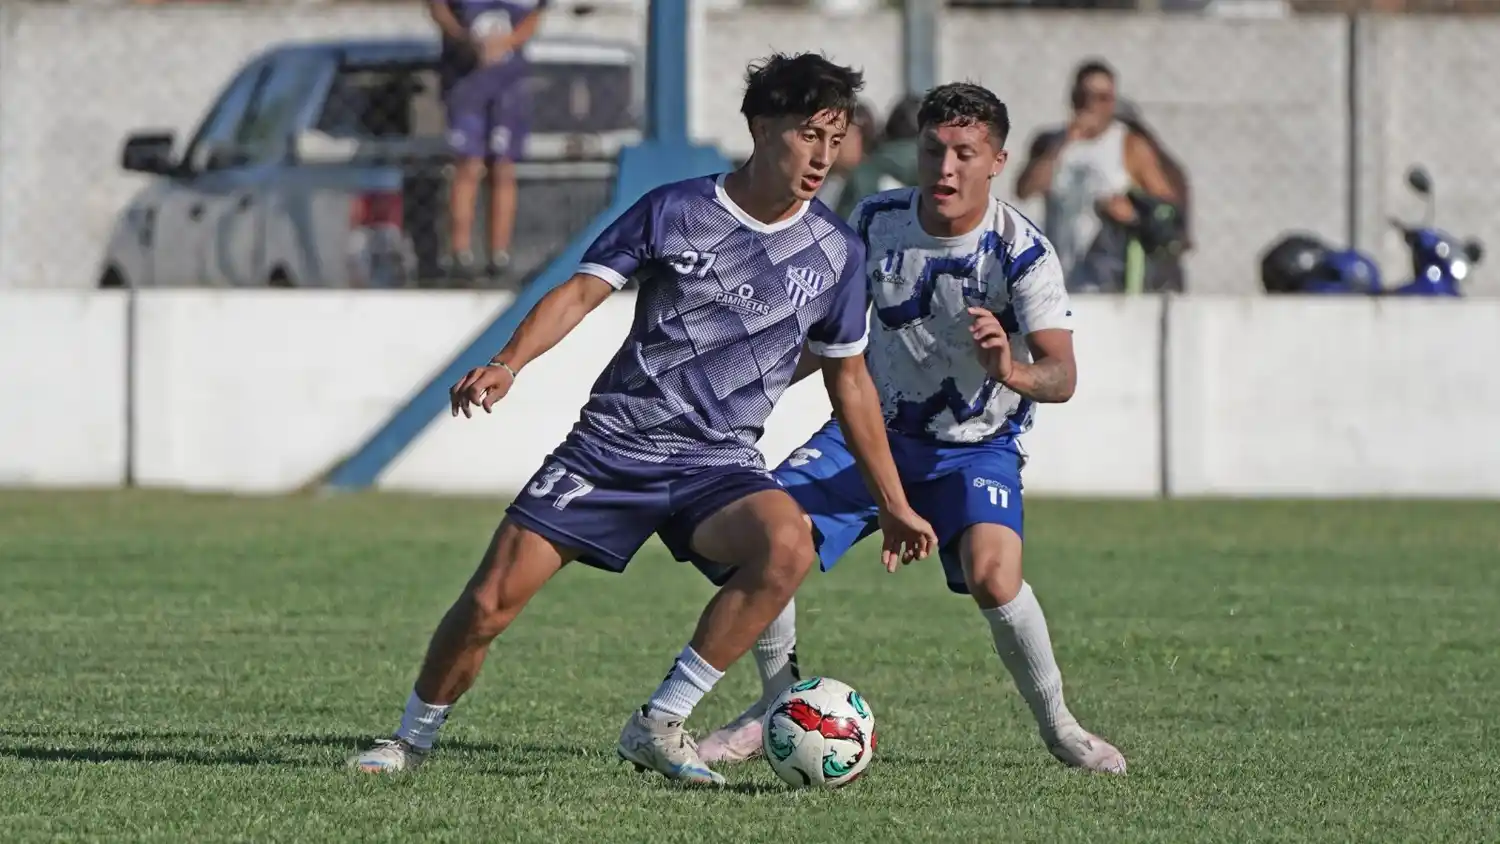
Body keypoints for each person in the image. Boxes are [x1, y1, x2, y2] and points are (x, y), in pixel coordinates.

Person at [347, 52, 938, 786]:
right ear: (760, 127)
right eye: (806, 133)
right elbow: (580, 293)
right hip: (612, 450)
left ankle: (661, 722)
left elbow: (849, 382)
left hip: (717, 466)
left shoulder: (838, 254)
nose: (822, 154)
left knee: (785, 545)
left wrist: (894, 503)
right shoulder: (678, 209)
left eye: (835, 134)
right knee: (488, 604)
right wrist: (508, 363)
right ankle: (408, 739)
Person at [695, 82, 1128, 775]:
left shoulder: (1023, 253)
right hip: (870, 434)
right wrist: (753, 381)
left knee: (993, 576)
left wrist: (1009, 370)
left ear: (998, 161)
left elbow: (1062, 375)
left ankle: (1061, 727)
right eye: (934, 150)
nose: (946, 168)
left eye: (965, 153)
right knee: (770, 538)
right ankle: (775, 707)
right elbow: (829, 336)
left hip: (974, 449)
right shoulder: (873, 221)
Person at [1015, 59, 1179, 293]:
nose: (1092, 105)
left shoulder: (1129, 144)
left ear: (1113, 102)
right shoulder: (1050, 142)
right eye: (1085, 96)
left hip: (1110, 277)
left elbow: (1166, 209)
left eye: (1103, 98)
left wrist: (1131, 215)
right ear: (1073, 98)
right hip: (1060, 274)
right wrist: (1062, 144)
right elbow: (1025, 190)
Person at [430, 0, 547, 281]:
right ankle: (460, 253)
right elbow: (437, 7)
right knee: (468, 165)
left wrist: (507, 42)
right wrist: (464, 39)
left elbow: (537, 14)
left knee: (503, 168)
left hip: (508, 85)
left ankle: (499, 255)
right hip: (465, 83)